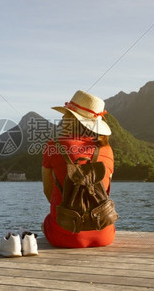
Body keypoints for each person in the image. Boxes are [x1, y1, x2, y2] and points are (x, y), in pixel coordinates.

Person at [42, 90, 115, 248]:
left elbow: (48, 191)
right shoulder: (107, 149)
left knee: (47, 222)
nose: (62, 118)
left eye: (67, 115)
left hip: (64, 236)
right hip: (104, 234)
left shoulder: (53, 146)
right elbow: (106, 191)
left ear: (74, 120)